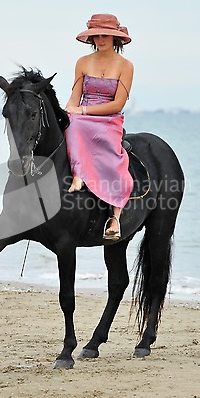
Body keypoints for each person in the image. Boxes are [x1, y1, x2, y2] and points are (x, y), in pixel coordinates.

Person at [64, 13, 134, 241]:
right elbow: (75, 97)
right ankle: (78, 175)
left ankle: (115, 218)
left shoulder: (126, 66)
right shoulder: (82, 62)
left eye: (105, 35)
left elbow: (118, 103)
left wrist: (83, 111)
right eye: (96, 35)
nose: (101, 39)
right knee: (70, 125)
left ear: (115, 38)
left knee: (114, 160)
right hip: (81, 117)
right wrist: (68, 111)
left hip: (109, 118)